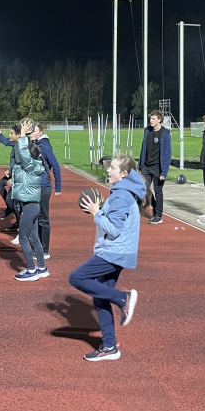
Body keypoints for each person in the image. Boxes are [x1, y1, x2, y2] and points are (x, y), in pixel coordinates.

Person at [69, 153, 145, 362]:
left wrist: (97, 212)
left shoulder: (121, 196)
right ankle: (110, 346)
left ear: (124, 174)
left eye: (112, 168)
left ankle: (123, 298)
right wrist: (102, 211)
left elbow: (114, 229)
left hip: (113, 252)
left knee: (76, 278)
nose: (108, 170)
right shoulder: (121, 192)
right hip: (116, 251)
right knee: (100, 296)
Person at [11, 119, 48, 281]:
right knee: (34, 238)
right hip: (32, 206)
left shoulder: (30, 164)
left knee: (23, 238)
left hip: (29, 208)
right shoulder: (32, 165)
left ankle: (31, 270)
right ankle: (42, 268)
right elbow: (21, 155)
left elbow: (24, 154)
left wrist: (23, 135)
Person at [31, 122, 62, 259]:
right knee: (35, 217)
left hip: (43, 186)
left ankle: (44, 250)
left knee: (43, 218)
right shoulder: (34, 144)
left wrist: (58, 187)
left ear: (41, 132)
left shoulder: (45, 146)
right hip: (35, 185)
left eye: (34, 131)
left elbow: (56, 166)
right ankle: (37, 246)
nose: (31, 133)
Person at [137, 110, 171, 225]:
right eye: (150, 119)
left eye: (153, 119)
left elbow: (167, 154)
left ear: (159, 120)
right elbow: (143, 149)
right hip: (146, 166)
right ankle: (155, 207)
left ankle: (158, 215)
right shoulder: (147, 131)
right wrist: (140, 165)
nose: (151, 120)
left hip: (158, 167)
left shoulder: (165, 134)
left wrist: (164, 172)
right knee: (144, 189)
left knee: (158, 191)